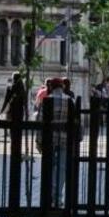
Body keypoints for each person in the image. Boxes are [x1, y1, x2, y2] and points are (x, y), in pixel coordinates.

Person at [36, 78, 73, 206]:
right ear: (62, 87)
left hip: (49, 140)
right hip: (64, 140)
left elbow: (40, 121)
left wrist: (38, 141)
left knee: (49, 167)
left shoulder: (46, 101)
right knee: (61, 169)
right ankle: (58, 197)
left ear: (51, 87)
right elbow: (74, 122)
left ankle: (49, 196)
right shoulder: (69, 101)